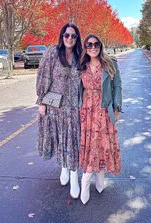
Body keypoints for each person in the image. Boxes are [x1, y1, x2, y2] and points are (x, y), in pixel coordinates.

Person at [36, 23, 82, 199]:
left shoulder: (80, 56)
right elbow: (43, 76)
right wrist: (41, 101)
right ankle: (64, 166)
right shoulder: (52, 53)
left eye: (73, 36)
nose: (70, 38)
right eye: (66, 35)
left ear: (77, 39)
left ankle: (73, 175)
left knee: (73, 140)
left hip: (75, 107)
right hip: (56, 105)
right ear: (62, 36)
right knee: (60, 138)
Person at [79, 34, 122, 205]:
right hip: (86, 111)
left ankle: (100, 173)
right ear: (85, 47)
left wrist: (117, 107)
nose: (93, 47)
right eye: (89, 44)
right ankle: (85, 180)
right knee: (91, 144)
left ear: (100, 46)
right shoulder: (81, 65)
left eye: (96, 44)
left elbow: (118, 85)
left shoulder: (110, 63)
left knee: (102, 143)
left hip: (104, 109)